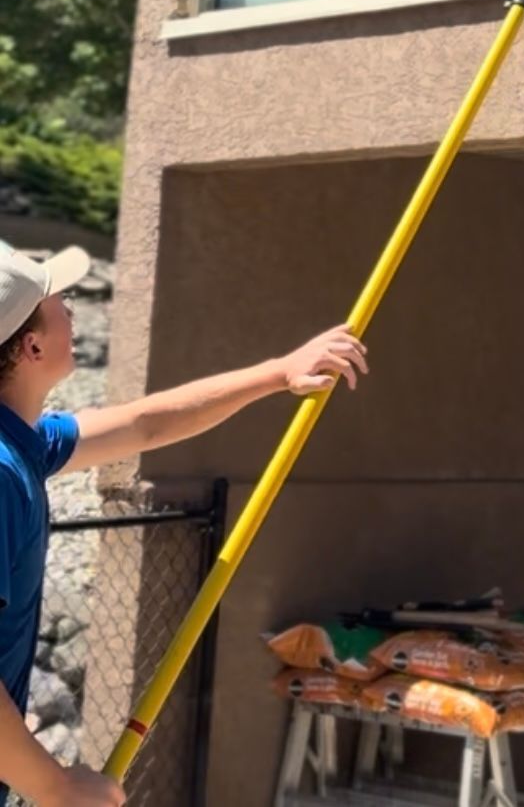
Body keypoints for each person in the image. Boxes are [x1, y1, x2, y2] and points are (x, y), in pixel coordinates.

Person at [0, 241, 368, 806]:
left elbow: (145, 425)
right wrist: (53, 787)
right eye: (56, 300)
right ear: (31, 346)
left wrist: (278, 373)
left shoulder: (24, 444)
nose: (70, 306)